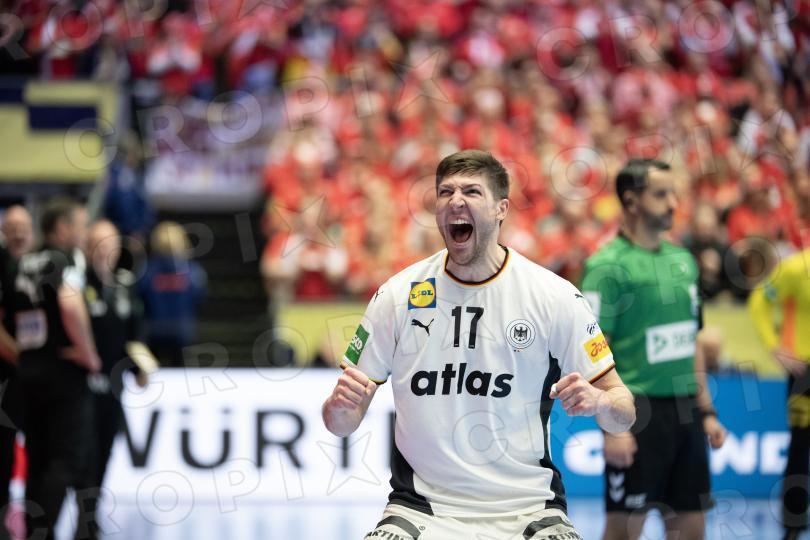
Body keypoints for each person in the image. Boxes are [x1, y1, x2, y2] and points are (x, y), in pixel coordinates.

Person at [322, 150, 636, 540]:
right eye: (445, 192)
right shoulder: (397, 295)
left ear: (501, 208)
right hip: (420, 509)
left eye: (471, 191)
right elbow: (340, 424)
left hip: (528, 508)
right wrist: (339, 408)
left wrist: (601, 402)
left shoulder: (554, 296)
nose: (455, 201)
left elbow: (624, 412)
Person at [580, 159, 727, 540]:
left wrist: (707, 411)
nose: (673, 203)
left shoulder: (683, 262)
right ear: (631, 201)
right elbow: (593, 354)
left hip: (686, 413)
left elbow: (691, 340)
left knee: (691, 528)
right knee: (623, 531)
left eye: (673, 193)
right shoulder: (605, 266)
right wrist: (611, 429)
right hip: (636, 413)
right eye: (661, 194)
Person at [7, 198, 101, 540]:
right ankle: (44, 532)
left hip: (29, 371)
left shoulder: (23, 263)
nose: (84, 232)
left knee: (38, 457)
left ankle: (34, 531)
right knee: (64, 459)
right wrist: (89, 354)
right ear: (62, 227)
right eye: (80, 225)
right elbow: (70, 304)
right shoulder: (63, 260)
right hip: (63, 371)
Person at [75, 220, 150, 540]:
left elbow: (134, 334)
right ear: (87, 247)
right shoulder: (78, 284)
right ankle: (83, 514)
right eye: (97, 243)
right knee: (84, 451)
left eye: (109, 244)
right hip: (82, 384)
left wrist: (140, 367)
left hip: (114, 385)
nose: (104, 249)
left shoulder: (125, 287)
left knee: (105, 448)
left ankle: (90, 516)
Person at [748, 247, 810, 540]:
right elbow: (760, 300)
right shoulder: (797, 268)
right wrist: (774, 345)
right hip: (805, 373)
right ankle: (793, 524)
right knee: (801, 446)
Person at [0, 205, 33, 540]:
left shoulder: (40, 265)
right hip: (7, 374)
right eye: (12, 227)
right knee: (4, 446)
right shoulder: (2, 266)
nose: (19, 233)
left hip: (36, 376)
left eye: (24, 226)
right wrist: (23, 357)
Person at [138, 222, 206, 367]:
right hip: (183, 332)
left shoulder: (147, 270)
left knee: (154, 374)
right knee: (182, 374)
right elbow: (200, 296)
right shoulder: (193, 271)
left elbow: (140, 296)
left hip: (154, 332)